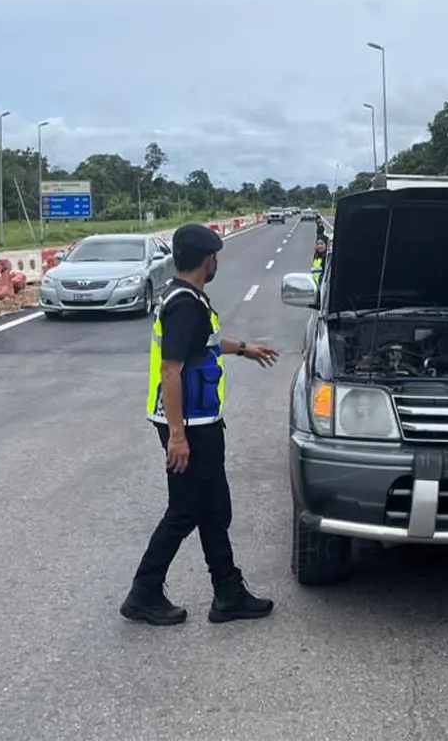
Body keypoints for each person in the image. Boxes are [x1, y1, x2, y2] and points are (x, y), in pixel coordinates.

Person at [120, 223, 282, 626]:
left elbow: (203, 343)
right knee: (185, 510)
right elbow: (171, 370)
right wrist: (177, 436)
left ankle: (228, 593)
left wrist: (242, 348)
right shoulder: (184, 304)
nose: (216, 263)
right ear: (207, 259)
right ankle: (143, 593)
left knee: (214, 509)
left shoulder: (187, 297)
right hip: (188, 424)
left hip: (200, 421)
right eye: (215, 257)